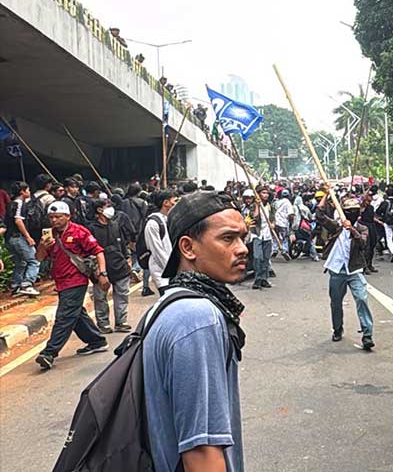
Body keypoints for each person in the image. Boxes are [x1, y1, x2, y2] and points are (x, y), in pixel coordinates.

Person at [143, 191, 249, 471]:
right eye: (228, 238)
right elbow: (201, 449)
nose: (242, 248)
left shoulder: (170, 302)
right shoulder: (197, 318)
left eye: (242, 238)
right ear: (188, 248)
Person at [34, 201, 110, 370]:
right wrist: (42, 246)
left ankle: (49, 353)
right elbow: (39, 258)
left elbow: (98, 251)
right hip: (60, 281)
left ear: (68, 216)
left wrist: (103, 273)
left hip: (76, 280)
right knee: (75, 314)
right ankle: (96, 341)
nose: (54, 220)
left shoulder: (79, 231)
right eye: (51, 217)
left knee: (64, 316)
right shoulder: (49, 235)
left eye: (58, 217)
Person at [317, 194, 375, 349]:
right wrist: (327, 195)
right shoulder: (336, 226)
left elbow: (363, 243)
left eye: (354, 211)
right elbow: (319, 216)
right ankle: (337, 329)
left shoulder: (363, 228)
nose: (351, 213)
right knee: (336, 302)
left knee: (362, 298)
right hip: (337, 269)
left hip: (354, 270)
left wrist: (352, 230)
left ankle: (367, 334)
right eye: (348, 211)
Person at [87, 200, 133, 333]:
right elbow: (89, 251)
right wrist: (96, 269)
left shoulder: (115, 225)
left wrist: (127, 258)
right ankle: (103, 323)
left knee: (122, 294)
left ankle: (121, 321)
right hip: (101, 268)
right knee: (100, 296)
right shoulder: (91, 229)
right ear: (99, 210)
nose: (111, 209)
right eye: (107, 207)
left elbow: (123, 243)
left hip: (119, 264)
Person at [4, 182, 41, 296]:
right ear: (22, 192)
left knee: (20, 262)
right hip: (18, 237)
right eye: (28, 190)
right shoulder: (19, 203)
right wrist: (28, 237)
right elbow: (18, 220)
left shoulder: (10, 204)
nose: (29, 192)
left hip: (10, 238)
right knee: (34, 260)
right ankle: (27, 284)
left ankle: (16, 286)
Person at [146, 190, 177, 291]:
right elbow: (157, 251)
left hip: (173, 274)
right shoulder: (153, 223)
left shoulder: (169, 219)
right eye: (174, 201)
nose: (176, 204)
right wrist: (171, 270)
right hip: (162, 274)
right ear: (166, 203)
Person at [249, 187, 275, 289]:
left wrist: (273, 224)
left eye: (267, 193)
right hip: (257, 234)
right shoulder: (254, 206)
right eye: (263, 193)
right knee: (258, 257)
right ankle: (257, 279)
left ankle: (264, 279)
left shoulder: (270, 207)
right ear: (258, 194)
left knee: (266, 258)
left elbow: (273, 219)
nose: (266, 195)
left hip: (267, 235)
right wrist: (257, 205)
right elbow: (254, 217)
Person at [274, 189, 294, 262]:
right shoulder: (288, 203)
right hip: (283, 223)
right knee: (285, 237)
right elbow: (290, 214)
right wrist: (291, 222)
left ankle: (275, 249)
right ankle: (284, 250)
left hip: (276, 222)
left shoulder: (277, 202)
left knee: (275, 236)